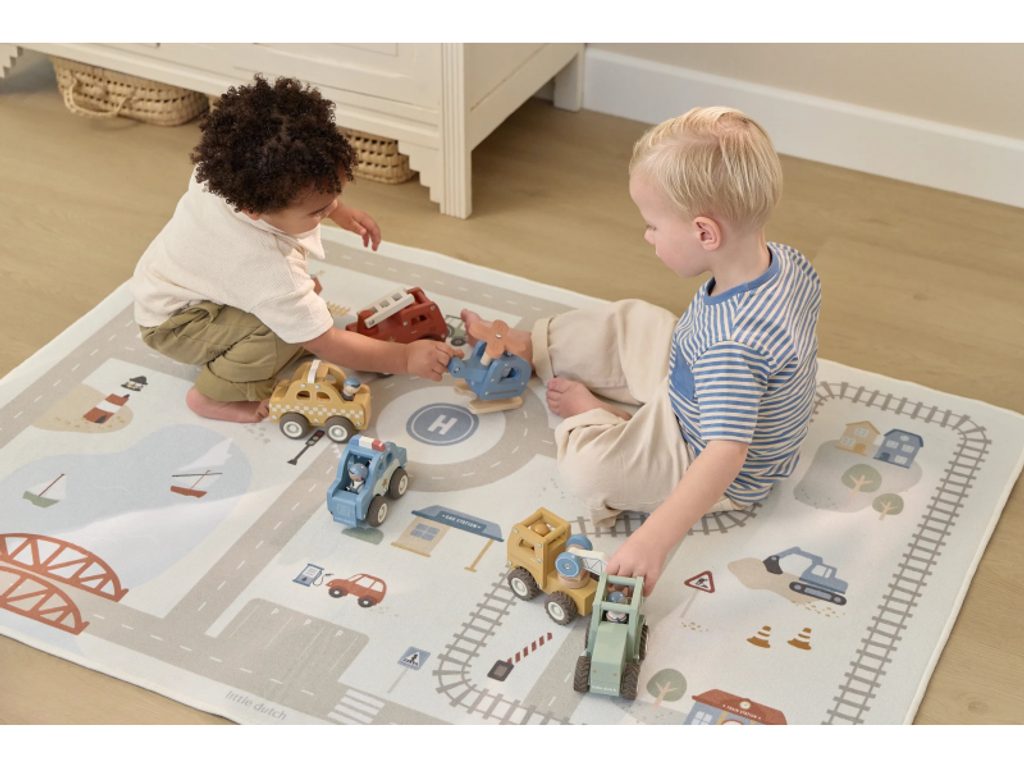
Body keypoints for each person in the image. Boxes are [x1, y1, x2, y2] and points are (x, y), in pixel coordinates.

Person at [463, 106, 820, 596]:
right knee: (634, 319)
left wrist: (653, 539)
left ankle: (599, 418)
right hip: (693, 381)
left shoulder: (733, 346)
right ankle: (531, 346)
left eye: (653, 225)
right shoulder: (788, 263)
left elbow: (726, 453)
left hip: (701, 450)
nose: (647, 235)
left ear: (705, 233)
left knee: (590, 472)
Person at [131, 75, 458, 423]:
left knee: (295, 310)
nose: (329, 209)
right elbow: (324, 342)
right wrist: (405, 358)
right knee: (281, 334)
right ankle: (213, 396)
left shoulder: (220, 172)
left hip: (173, 283)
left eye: (335, 196)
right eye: (319, 210)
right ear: (254, 208)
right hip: (175, 325)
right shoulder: (270, 267)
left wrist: (338, 211)